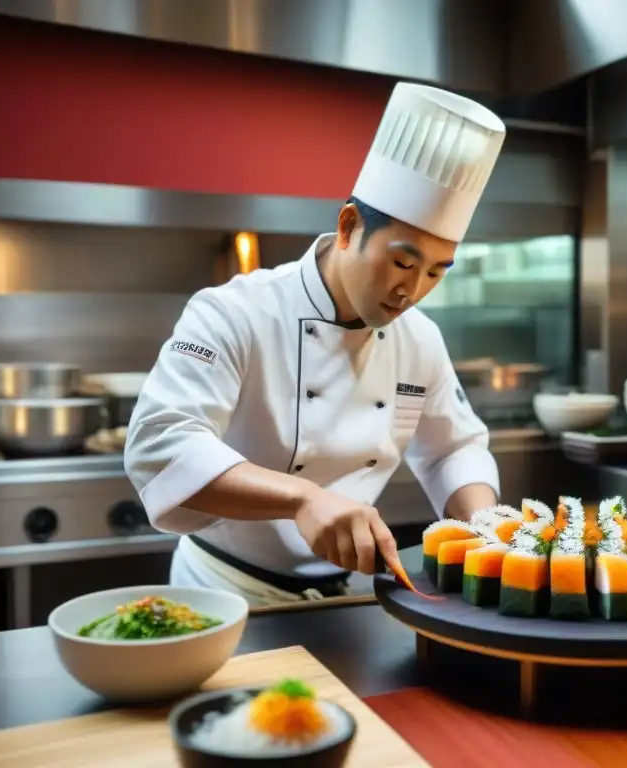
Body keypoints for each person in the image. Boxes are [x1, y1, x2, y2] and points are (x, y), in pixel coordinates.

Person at [123, 83, 507, 606]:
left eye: (436, 273)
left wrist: (487, 528)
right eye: (402, 262)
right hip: (226, 594)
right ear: (349, 226)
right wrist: (303, 498)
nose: (411, 291)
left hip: (348, 598)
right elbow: (160, 444)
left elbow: (452, 449)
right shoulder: (235, 312)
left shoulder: (420, 338)